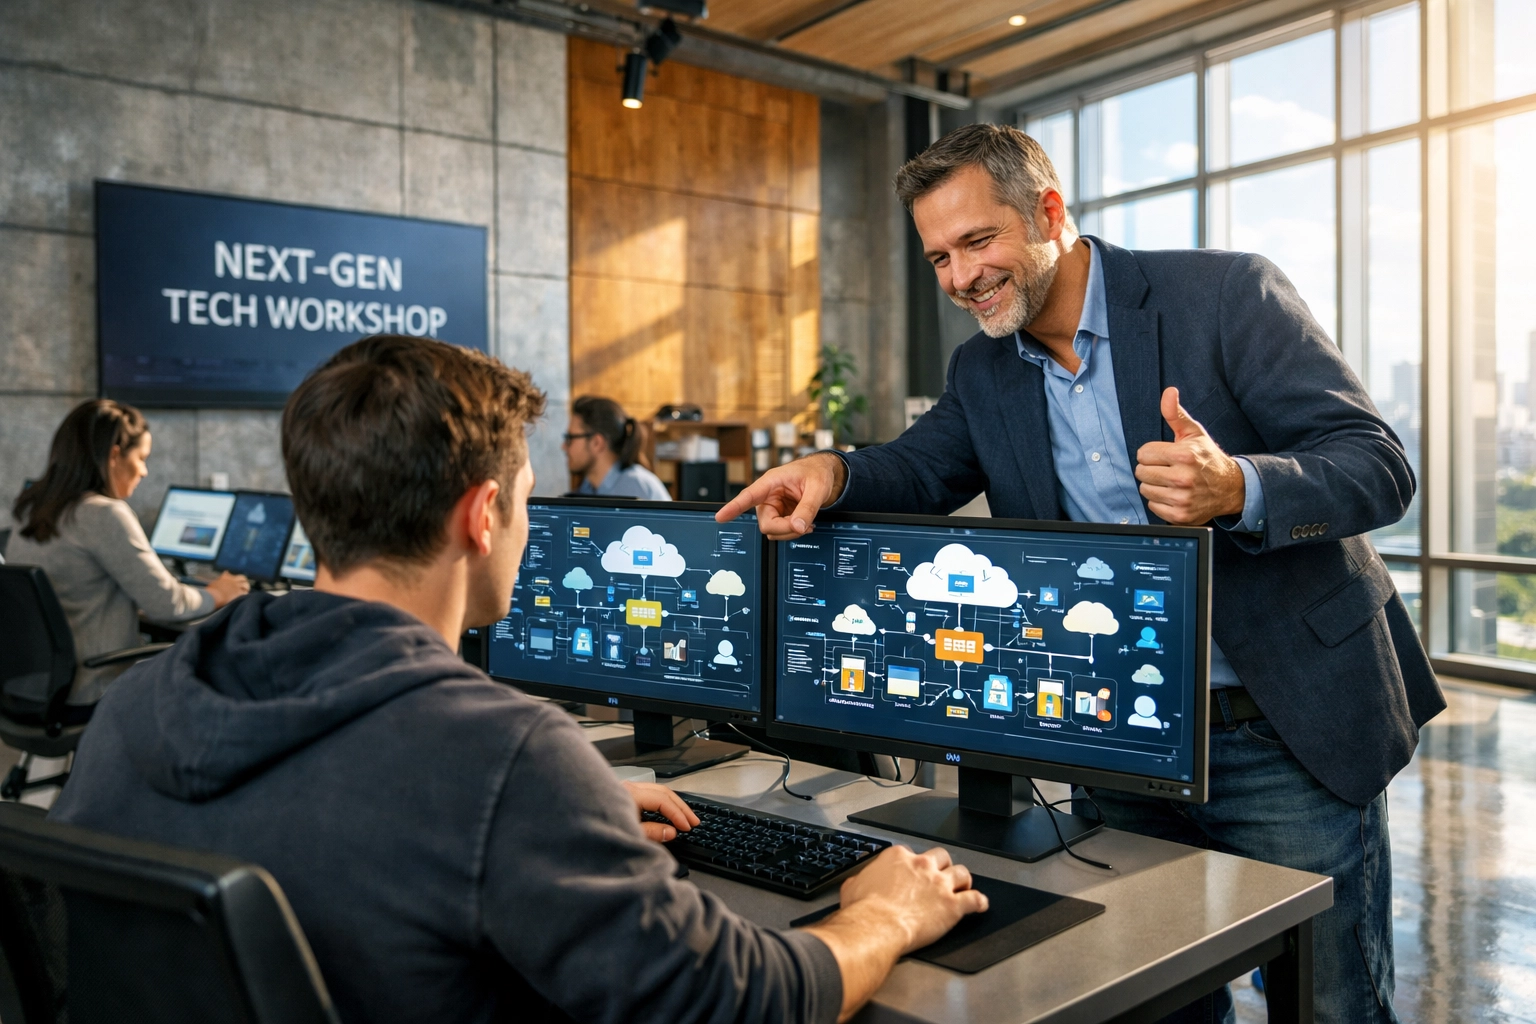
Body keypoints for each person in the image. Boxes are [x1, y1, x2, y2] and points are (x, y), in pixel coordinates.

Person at [718, 123, 1445, 1024]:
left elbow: (1378, 464)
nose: (960, 277)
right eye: (940, 257)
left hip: (1282, 725)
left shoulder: (1225, 294)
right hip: (1119, 735)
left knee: (1329, 1003)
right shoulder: (983, 368)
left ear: (1049, 212)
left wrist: (1238, 486)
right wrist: (832, 471)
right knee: (1162, 997)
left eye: (978, 241)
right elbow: (921, 466)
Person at [51, 336, 986, 1024]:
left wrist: (566, 814)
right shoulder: (502, 758)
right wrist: (884, 918)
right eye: (531, 503)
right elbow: (735, 1004)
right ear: (484, 514)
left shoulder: (137, 705)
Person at [7, 400, 248, 707]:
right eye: (142, 458)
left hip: (31, 689)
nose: (144, 472)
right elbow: (167, 604)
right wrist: (218, 592)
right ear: (114, 455)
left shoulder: (29, 508)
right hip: (92, 689)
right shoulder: (103, 513)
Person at [565, 395, 671, 500]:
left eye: (570, 438)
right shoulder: (585, 490)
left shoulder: (637, 487)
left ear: (597, 443)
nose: (563, 446)